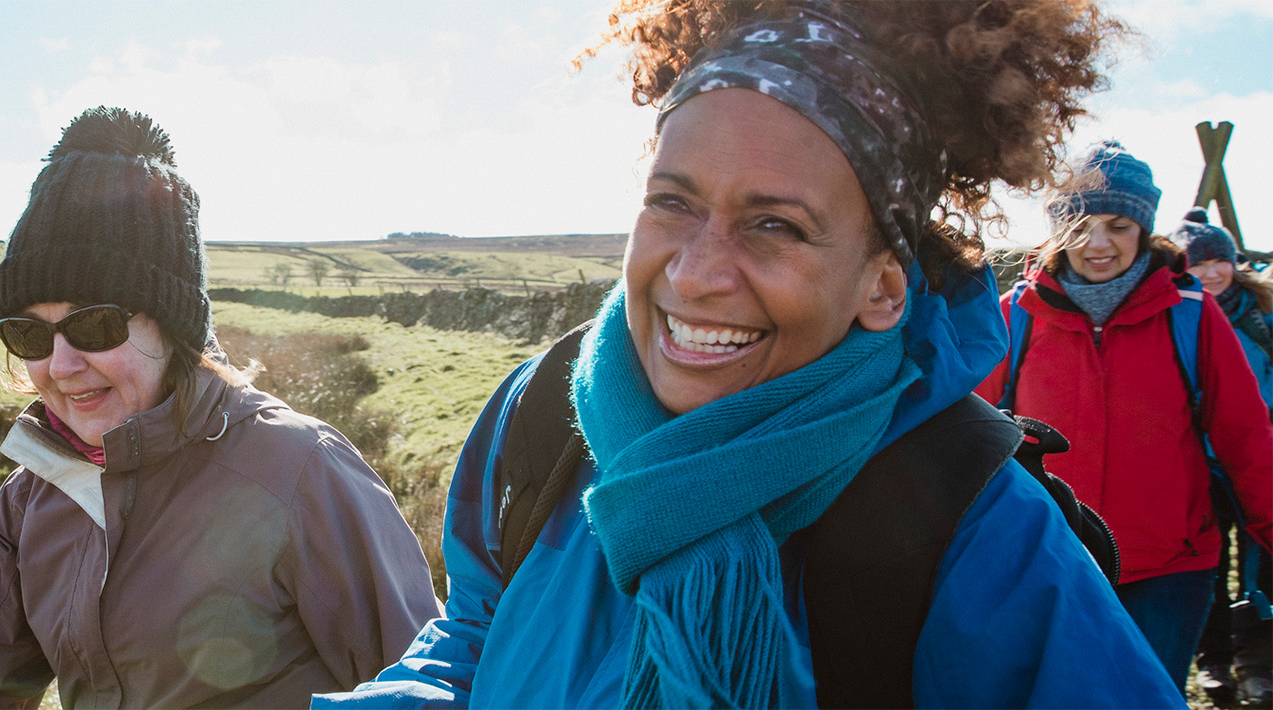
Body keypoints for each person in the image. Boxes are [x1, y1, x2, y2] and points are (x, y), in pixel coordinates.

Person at [316, 2, 1185, 708]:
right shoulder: (544, 409)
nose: (694, 276)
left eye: (776, 225)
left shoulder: (971, 523)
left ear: (883, 287)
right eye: (672, 203)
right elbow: (475, 632)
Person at [0, 106, 441, 709]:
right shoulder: (35, 496)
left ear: (173, 326)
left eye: (94, 325)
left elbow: (418, 686)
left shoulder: (299, 470)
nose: (60, 365)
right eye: (28, 335)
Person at [974, 143, 1273, 694]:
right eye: (1081, 224)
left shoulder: (1191, 314)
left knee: (1144, 698)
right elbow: (966, 433)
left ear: (1143, 229)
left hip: (1170, 567)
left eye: (1117, 225)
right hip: (1051, 559)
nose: (1098, 243)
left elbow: (1244, 435)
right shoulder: (1016, 316)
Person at [1177, 207, 1273, 708]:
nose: (1212, 273)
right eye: (1200, 264)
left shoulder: (1262, 317)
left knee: (1262, 563)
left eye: (1221, 261)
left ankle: (1258, 664)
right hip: (1200, 462)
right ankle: (1213, 661)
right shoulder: (1182, 319)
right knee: (1208, 567)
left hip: (1257, 457)